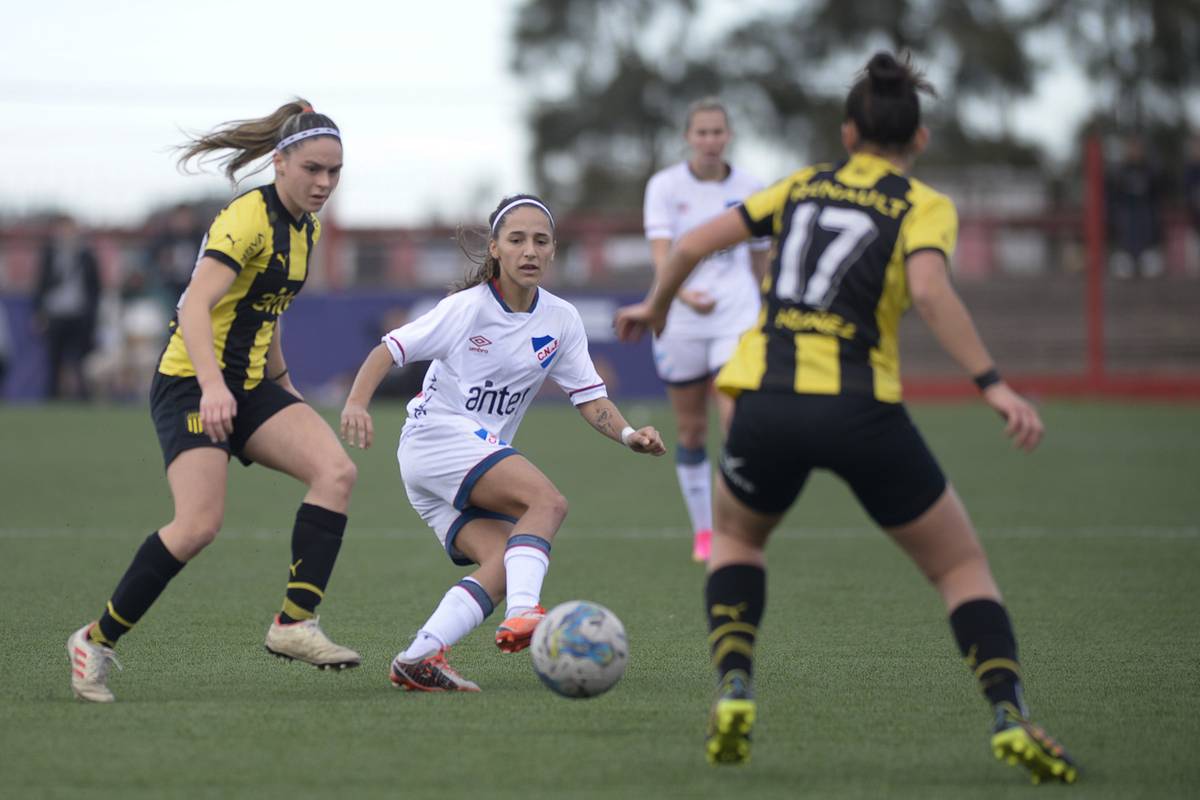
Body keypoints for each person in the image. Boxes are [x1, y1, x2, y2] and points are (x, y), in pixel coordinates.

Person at [615, 52, 1079, 784]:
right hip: (863, 410)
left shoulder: (799, 185)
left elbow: (699, 243)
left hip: (765, 403)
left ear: (849, 131)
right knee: (959, 567)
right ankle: (1008, 713)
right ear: (917, 140)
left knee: (736, 540)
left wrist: (656, 305)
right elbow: (929, 291)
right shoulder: (924, 205)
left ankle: (735, 685)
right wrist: (991, 384)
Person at [67, 99, 361, 703]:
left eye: (334, 171)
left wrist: (284, 384)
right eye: (313, 169)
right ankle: (94, 640)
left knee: (335, 472)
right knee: (198, 525)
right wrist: (211, 384)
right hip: (190, 383)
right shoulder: (245, 218)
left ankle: (294, 624)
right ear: (279, 163)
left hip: (250, 387)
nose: (324, 183)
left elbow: (267, 308)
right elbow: (192, 306)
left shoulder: (309, 227)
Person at [340, 194, 666, 692]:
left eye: (540, 240)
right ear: (494, 248)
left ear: (554, 250)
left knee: (503, 561)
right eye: (516, 240)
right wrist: (357, 403)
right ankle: (524, 614)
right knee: (547, 503)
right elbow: (389, 349)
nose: (528, 250)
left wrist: (627, 434)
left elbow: (589, 397)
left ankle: (418, 656)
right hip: (435, 437)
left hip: (450, 459)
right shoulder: (466, 310)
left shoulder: (561, 320)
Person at [643, 98, 771, 563]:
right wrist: (676, 294)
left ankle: (733, 526)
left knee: (737, 422)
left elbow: (760, 254)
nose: (710, 140)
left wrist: (766, 305)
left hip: (735, 315)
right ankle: (704, 532)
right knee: (693, 430)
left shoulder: (752, 186)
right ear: (688, 137)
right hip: (680, 319)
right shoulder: (664, 186)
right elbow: (662, 253)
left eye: (718, 132)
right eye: (702, 132)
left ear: (729, 136)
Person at [33, 214, 101, 400]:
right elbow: (40, 284)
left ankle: (82, 397)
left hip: (79, 314)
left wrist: (92, 314)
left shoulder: (86, 255)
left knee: (80, 358)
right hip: (55, 313)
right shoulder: (49, 254)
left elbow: (95, 287)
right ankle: (52, 396)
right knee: (54, 358)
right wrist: (38, 312)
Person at [1107, 133, 1164, 279]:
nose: (1134, 151)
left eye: (1137, 148)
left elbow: (1156, 199)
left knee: (1152, 268)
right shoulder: (1119, 173)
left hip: (1146, 227)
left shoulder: (1150, 171)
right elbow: (1113, 200)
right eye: (1131, 147)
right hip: (1126, 228)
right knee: (1122, 268)